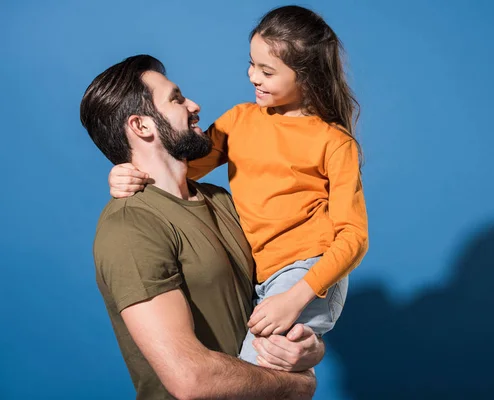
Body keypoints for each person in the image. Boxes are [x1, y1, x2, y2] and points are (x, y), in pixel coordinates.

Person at [109, 5, 368, 365]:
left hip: (308, 272)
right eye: (251, 64)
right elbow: (179, 172)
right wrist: (128, 173)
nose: (253, 77)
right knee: (248, 372)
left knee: (249, 375)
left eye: (267, 71)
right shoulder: (239, 120)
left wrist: (296, 296)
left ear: (306, 76)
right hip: (260, 277)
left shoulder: (334, 142)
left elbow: (354, 236)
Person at [80, 54, 324, 400]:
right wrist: (298, 384)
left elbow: (275, 296)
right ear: (141, 126)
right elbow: (191, 380)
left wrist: (308, 350)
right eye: (177, 99)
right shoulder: (130, 227)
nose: (195, 105)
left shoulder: (220, 199)